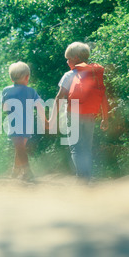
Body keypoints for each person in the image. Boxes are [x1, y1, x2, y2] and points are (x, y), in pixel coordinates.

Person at [50, 42, 109, 183]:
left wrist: (53, 118)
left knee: (76, 148)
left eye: (68, 58)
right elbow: (103, 97)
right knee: (87, 147)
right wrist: (105, 118)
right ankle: (87, 178)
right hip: (90, 115)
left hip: (73, 114)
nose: (67, 61)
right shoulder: (95, 75)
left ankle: (82, 179)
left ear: (76, 57)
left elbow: (60, 96)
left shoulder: (69, 75)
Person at [2, 62, 49, 181]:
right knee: (20, 148)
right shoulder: (31, 91)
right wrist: (45, 121)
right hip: (27, 125)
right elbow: (39, 106)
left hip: (14, 124)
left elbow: (4, 108)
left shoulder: (6, 90)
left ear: (11, 78)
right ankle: (15, 171)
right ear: (27, 77)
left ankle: (27, 172)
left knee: (20, 148)